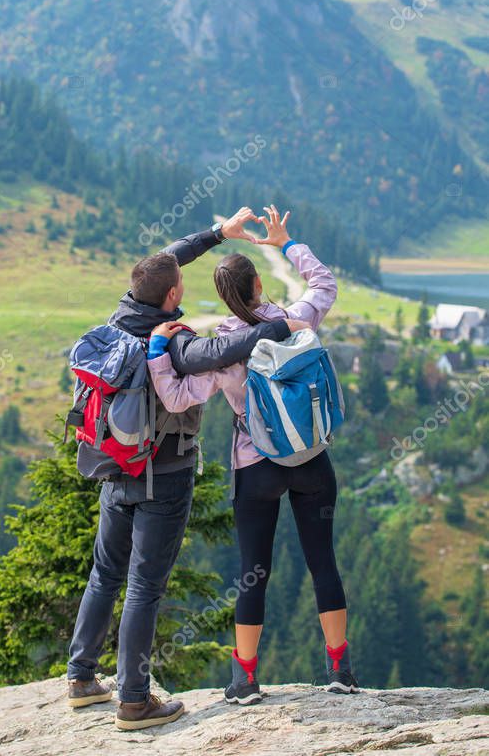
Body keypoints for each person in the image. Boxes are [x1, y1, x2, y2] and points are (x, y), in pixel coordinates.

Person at [67, 208, 311, 731]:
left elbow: (162, 262)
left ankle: (82, 677)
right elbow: (224, 348)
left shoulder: (121, 316)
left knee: (105, 573)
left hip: (114, 470)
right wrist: (278, 323)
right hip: (165, 478)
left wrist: (216, 235)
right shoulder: (173, 340)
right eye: (179, 281)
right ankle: (134, 699)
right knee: (144, 586)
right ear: (173, 297)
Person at [147, 205, 358, 704]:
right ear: (258, 284)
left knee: (252, 572)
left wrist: (158, 352)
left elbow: (177, 398)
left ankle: (244, 680)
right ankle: (341, 670)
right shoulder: (296, 320)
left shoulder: (224, 347)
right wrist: (286, 243)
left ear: (224, 296)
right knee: (323, 562)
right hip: (311, 460)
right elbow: (324, 283)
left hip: (255, 466)